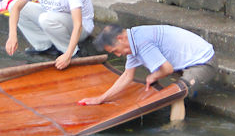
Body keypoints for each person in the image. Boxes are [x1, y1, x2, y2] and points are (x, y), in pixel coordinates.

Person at [78, 24, 215, 121]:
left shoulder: (141, 42)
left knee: (175, 93)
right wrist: (101, 99)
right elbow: (127, 76)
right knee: (167, 87)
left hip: (204, 62)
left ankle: (175, 132)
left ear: (120, 38)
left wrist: (152, 76)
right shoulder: (133, 41)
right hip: (183, 63)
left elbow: (167, 69)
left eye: (115, 51)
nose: (118, 55)